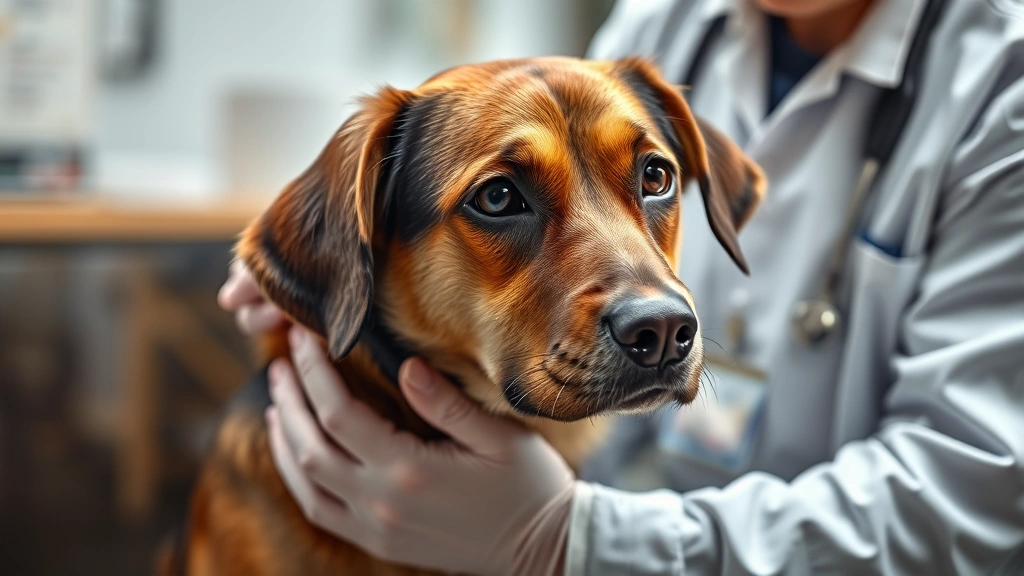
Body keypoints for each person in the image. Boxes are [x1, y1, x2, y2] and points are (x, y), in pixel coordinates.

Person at [218, 0, 1024, 573]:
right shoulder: (661, 22)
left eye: (654, 178)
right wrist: (322, 257)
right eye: (500, 198)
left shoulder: (1002, 83)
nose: (658, 313)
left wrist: (571, 542)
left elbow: (970, 501)